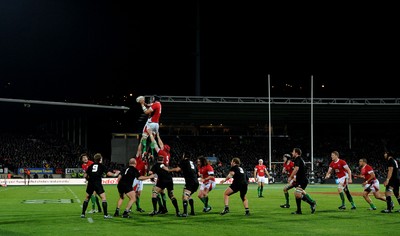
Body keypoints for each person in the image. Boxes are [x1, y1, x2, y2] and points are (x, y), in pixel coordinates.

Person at [147, 130, 182, 217]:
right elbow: (161, 144)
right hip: (169, 178)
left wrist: (151, 134)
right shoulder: (168, 154)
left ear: (163, 149)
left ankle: (155, 210)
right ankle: (177, 211)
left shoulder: (161, 152)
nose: (161, 146)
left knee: (154, 193)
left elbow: (155, 143)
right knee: (171, 195)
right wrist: (158, 135)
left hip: (162, 177)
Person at [80, 153, 120, 219]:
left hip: (90, 183)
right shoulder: (101, 166)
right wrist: (115, 175)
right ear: (100, 159)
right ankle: (105, 215)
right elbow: (108, 173)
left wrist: (88, 179)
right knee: (103, 198)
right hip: (97, 183)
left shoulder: (91, 166)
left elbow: (85, 175)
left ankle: (83, 214)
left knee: (87, 198)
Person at [164, 151, 199, 217]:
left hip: (190, 182)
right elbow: (198, 173)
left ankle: (185, 213)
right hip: (196, 182)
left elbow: (177, 169)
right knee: (188, 195)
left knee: (185, 196)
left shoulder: (184, 161)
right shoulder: (193, 163)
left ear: (184, 155)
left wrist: (168, 170)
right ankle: (192, 211)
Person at [288, 148, 316, 215]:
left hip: (302, 180)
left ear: (296, 153)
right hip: (301, 180)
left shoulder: (297, 159)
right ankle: (299, 210)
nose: (292, 153)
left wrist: (291, 177)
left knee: (297, 194)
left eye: (293, 152)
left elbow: (296, 169)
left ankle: (312, 203)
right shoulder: (301, 159)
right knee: (297, 194)